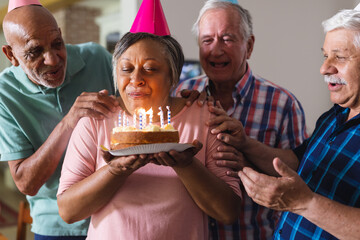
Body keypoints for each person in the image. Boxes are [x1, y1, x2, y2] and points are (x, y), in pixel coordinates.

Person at [56, 1, 241, 238]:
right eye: (126, 69)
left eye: (150, 69)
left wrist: (186, 164)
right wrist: (115, 170)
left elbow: (228, 211)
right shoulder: (96, 120)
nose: (136, 79)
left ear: (172, 76)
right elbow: (68, 211)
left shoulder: (205, 118)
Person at [210, 6, 360, 240]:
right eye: (325, 56)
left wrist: (305, 203)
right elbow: (297, 162)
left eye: (339, 57)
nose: (324, 68)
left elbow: (304, 200)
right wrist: (245, 144)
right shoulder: (334, 115)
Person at [173, 0, 308, 239]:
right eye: (207, 40)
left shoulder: (283, 103)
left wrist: (247, 161)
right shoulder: (182, 95)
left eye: (227, 39)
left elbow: (299, 177)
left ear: (249, 45)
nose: (216, 50)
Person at [0, 1, 118, 239]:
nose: (53, 60)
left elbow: (139, 103)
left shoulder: (96, 57)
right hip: (58, 226)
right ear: (11, 55)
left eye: (57, 44)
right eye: (35, 51)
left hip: (117, 212)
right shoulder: (4, 94)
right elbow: (26, 183)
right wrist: (69, 121)